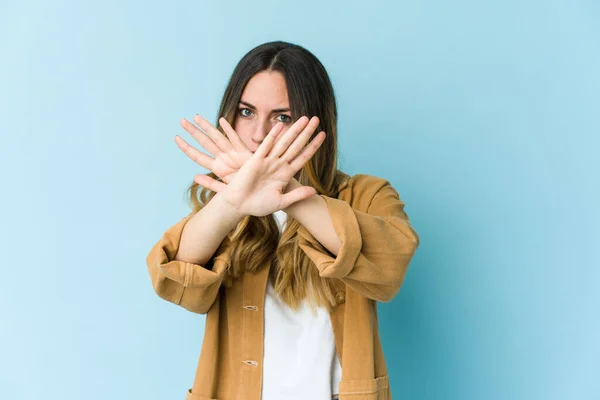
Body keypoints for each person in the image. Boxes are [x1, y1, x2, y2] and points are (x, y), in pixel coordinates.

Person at [146, 40, 420, 400]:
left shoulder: (365, 195)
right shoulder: (223, 211)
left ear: (316, 122)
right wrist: (231, 202)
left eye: (282, 117)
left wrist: (285, 190)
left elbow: (390, 266)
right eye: (246, 112)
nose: (259, 134)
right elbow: (175, 279)